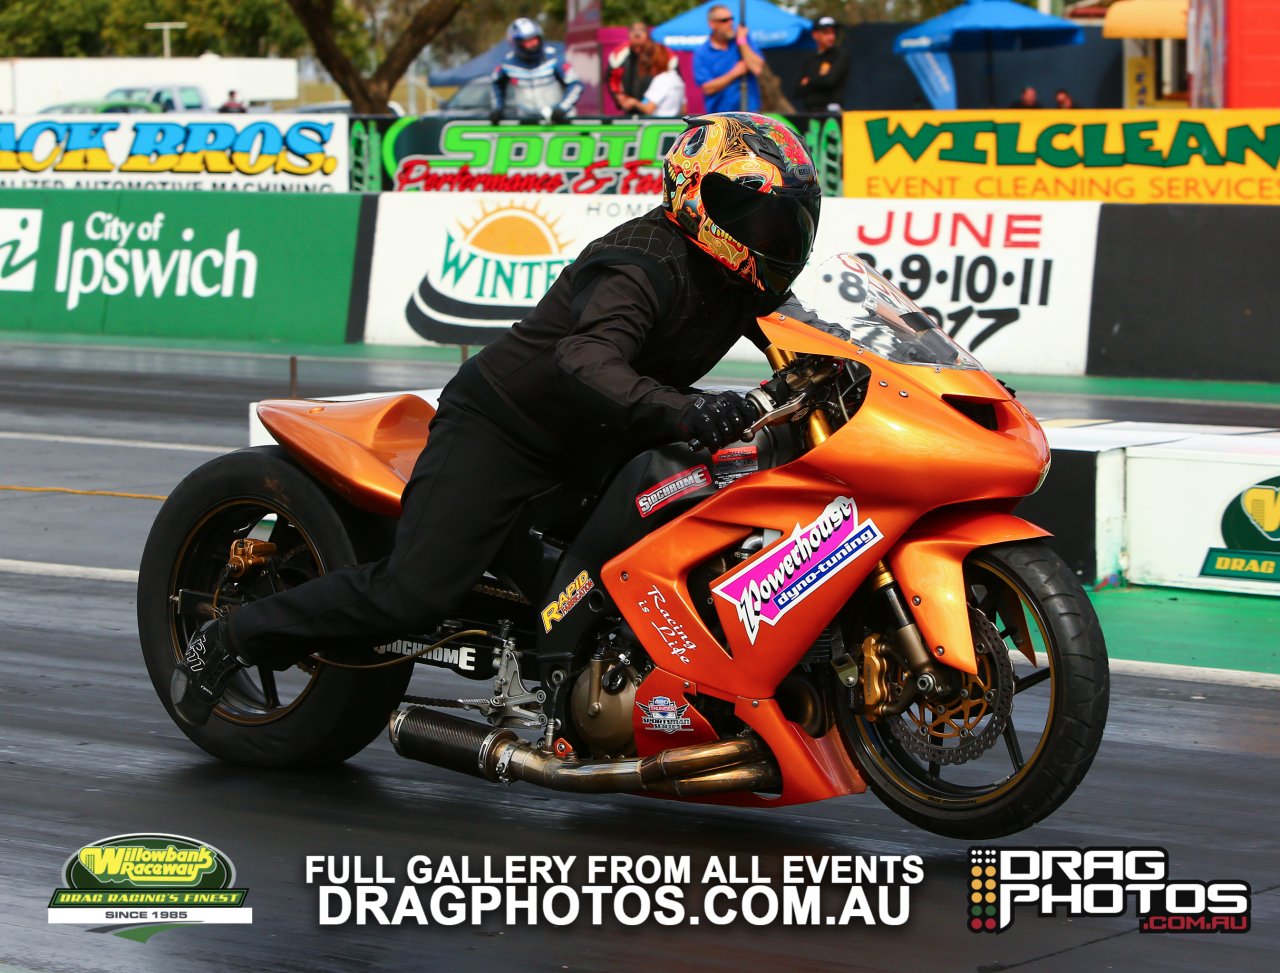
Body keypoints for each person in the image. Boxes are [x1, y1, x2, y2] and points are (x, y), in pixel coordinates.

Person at [170, 112, 823, 727]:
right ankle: (230, 635)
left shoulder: (742, 279)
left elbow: (815, 341)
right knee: (414, 592)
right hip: (505, 431)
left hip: (599, 445)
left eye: (787, 226)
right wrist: (692, 409)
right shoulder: (640, 263)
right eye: (764, 222)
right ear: (704, 199)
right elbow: (586, 360)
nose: (776, 239)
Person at [489, 17, 583, 124]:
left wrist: (562, 108)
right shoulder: (507, 63)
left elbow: (576, 84)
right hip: (527, 120)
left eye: (534, 40)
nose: (532, 45)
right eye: (527, 42)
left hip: (558, 119)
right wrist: (497, 108)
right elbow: (496, 84)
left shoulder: (553, 58)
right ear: (516, 43)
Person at [694, 6, 764, 113]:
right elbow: (707, 88)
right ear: (712, 24)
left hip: (749, 114)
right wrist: (734, 73)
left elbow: (757, 68)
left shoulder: (743, 39)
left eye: (731, 19)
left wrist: (742, 41)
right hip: (720, 116)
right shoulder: (703, 52)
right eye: (724, 20)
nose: (730, 23)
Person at [608, 21, 665, 115]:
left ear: (646, 35)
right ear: (629, 34)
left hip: (656, 109)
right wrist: (618, 95)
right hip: (630, 109)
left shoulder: (658, 53)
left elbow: (669, 76)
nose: (637, 37)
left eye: (640, 33)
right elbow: (612, 78)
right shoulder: (619, 54)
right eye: (634, 33)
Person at [793, 16, 849, 112]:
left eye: (833, 33)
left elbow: (829, 81)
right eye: (826, 33)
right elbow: (798, 90)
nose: (831, 37)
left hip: (832, 113)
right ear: (815, 35)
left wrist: (809, 81)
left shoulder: (840, 55)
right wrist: (820, 77)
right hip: (810, 112)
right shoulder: (809, 59)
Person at [618, 44, 686, 117]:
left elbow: (649, 109)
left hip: (658, 125)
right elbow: (684, 109)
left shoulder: (661, 79)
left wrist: (634, 102)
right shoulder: (676, 78)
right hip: (674, 125)